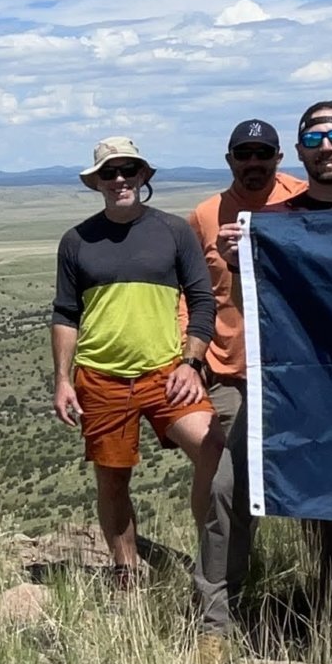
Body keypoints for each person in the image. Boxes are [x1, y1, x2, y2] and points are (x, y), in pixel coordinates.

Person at [213, 102, 332, 645]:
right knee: (227, 487)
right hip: (289, 390)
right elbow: (255, 303)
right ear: (300, 152)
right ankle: (216, 625)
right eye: (314, 138)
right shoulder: (274, 225)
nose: (327, 147)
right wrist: (235, 262)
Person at [49, 138, 219, 594]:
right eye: (110, 172)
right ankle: (126, 571)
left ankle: (214, 558)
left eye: (129, 170)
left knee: (212, 448)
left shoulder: (173, 231)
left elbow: (203, 301)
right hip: (100, 378)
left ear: (144, 176)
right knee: (112, 479)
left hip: (167, 373)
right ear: (97, 183)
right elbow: (66, 314)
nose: (120, 179)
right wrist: (62, 380)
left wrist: (191, 362)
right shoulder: (77, 240)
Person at [185, 119, 304, 637]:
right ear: (230, 158)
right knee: (225, 491)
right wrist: (187, 358)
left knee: (321, 496)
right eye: (243, 154)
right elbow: (189, 293)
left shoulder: (305, 202)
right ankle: (217, 620)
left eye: (264, 154)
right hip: (234, 374)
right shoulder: (206, 215)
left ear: (279, 157)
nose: (253, 163)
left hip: (302, 373)